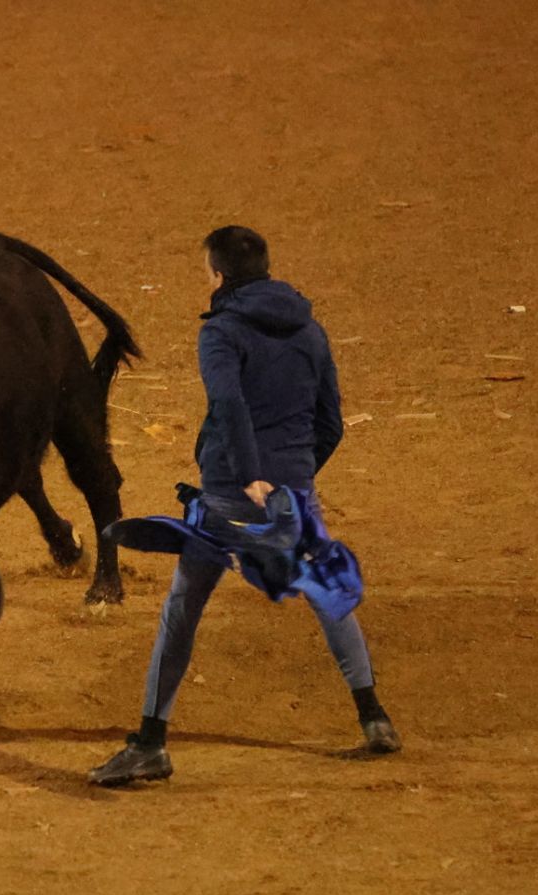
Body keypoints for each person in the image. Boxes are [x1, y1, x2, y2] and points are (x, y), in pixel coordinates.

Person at [88, 226, 402, 787]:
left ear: (219, 277)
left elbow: (230, 405)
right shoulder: (311, 330)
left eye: (203, 272)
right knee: (328, 594)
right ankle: (373, 716)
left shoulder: (221, 334)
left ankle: (150, 744)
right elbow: (330, 422)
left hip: (230, 493)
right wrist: (292, 480)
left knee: (182, 608)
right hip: (294, 494)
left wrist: (250, 476)